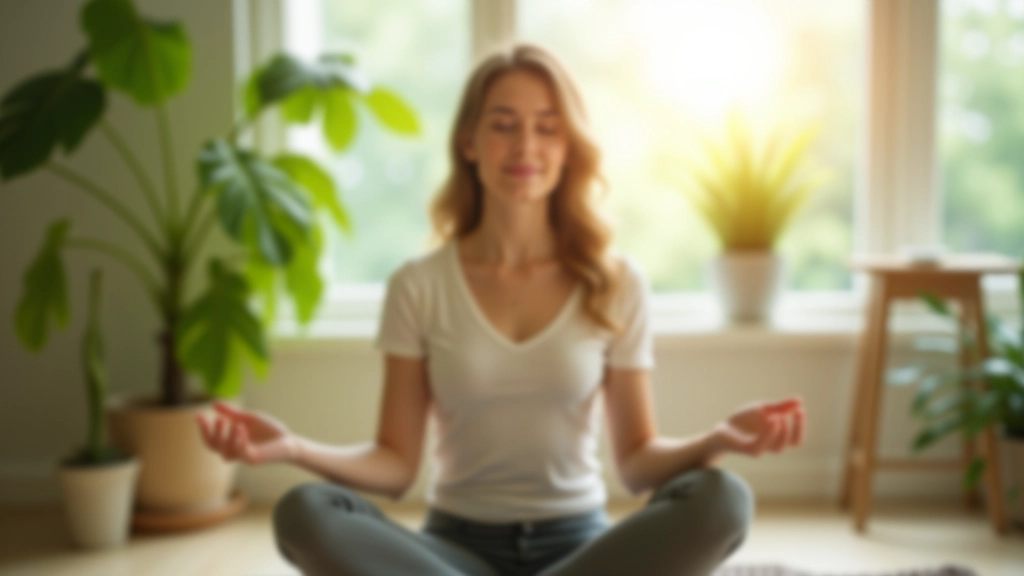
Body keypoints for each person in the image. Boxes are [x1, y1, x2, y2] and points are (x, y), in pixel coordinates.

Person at [196, 43, 805, 576]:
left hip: (582, 553)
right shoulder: (419, 284)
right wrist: (294, 448)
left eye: (547, 126)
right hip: (452, 554)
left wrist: (719, 439)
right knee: (306, 511)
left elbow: (640, 465)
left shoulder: (616, 282)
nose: (525, 146)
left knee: (723, 498)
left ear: (569, 147)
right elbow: (395, 464)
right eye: (504, 124)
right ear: (468, 142)